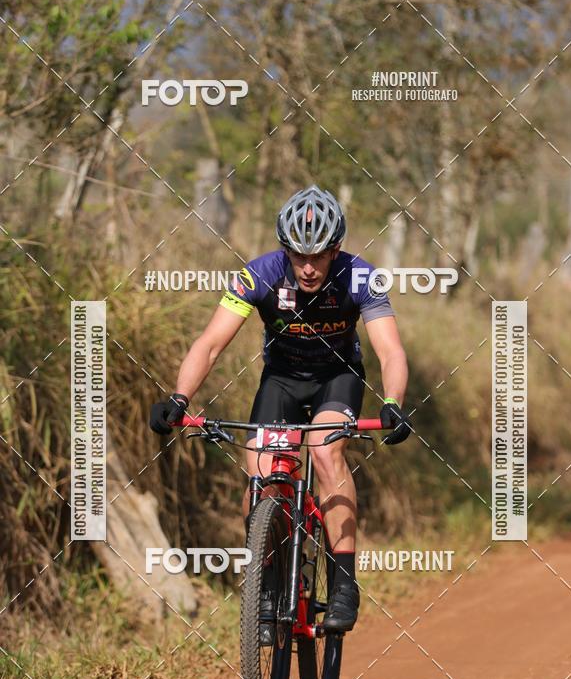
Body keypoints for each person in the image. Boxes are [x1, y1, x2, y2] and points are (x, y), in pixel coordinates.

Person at [150, 184, 411, 638]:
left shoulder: (361, 277)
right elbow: (211, 344)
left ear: (336, 250)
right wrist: (179, 398)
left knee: (326, 453)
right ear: (284, 249)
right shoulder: (259, 275)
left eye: (320, 256)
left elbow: (389, 350)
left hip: (338, 377)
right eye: (298, 256)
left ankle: (344, 582)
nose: (308, 268)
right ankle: (267, 587)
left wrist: (393, 403)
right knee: (260, 472)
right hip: (282, 381)